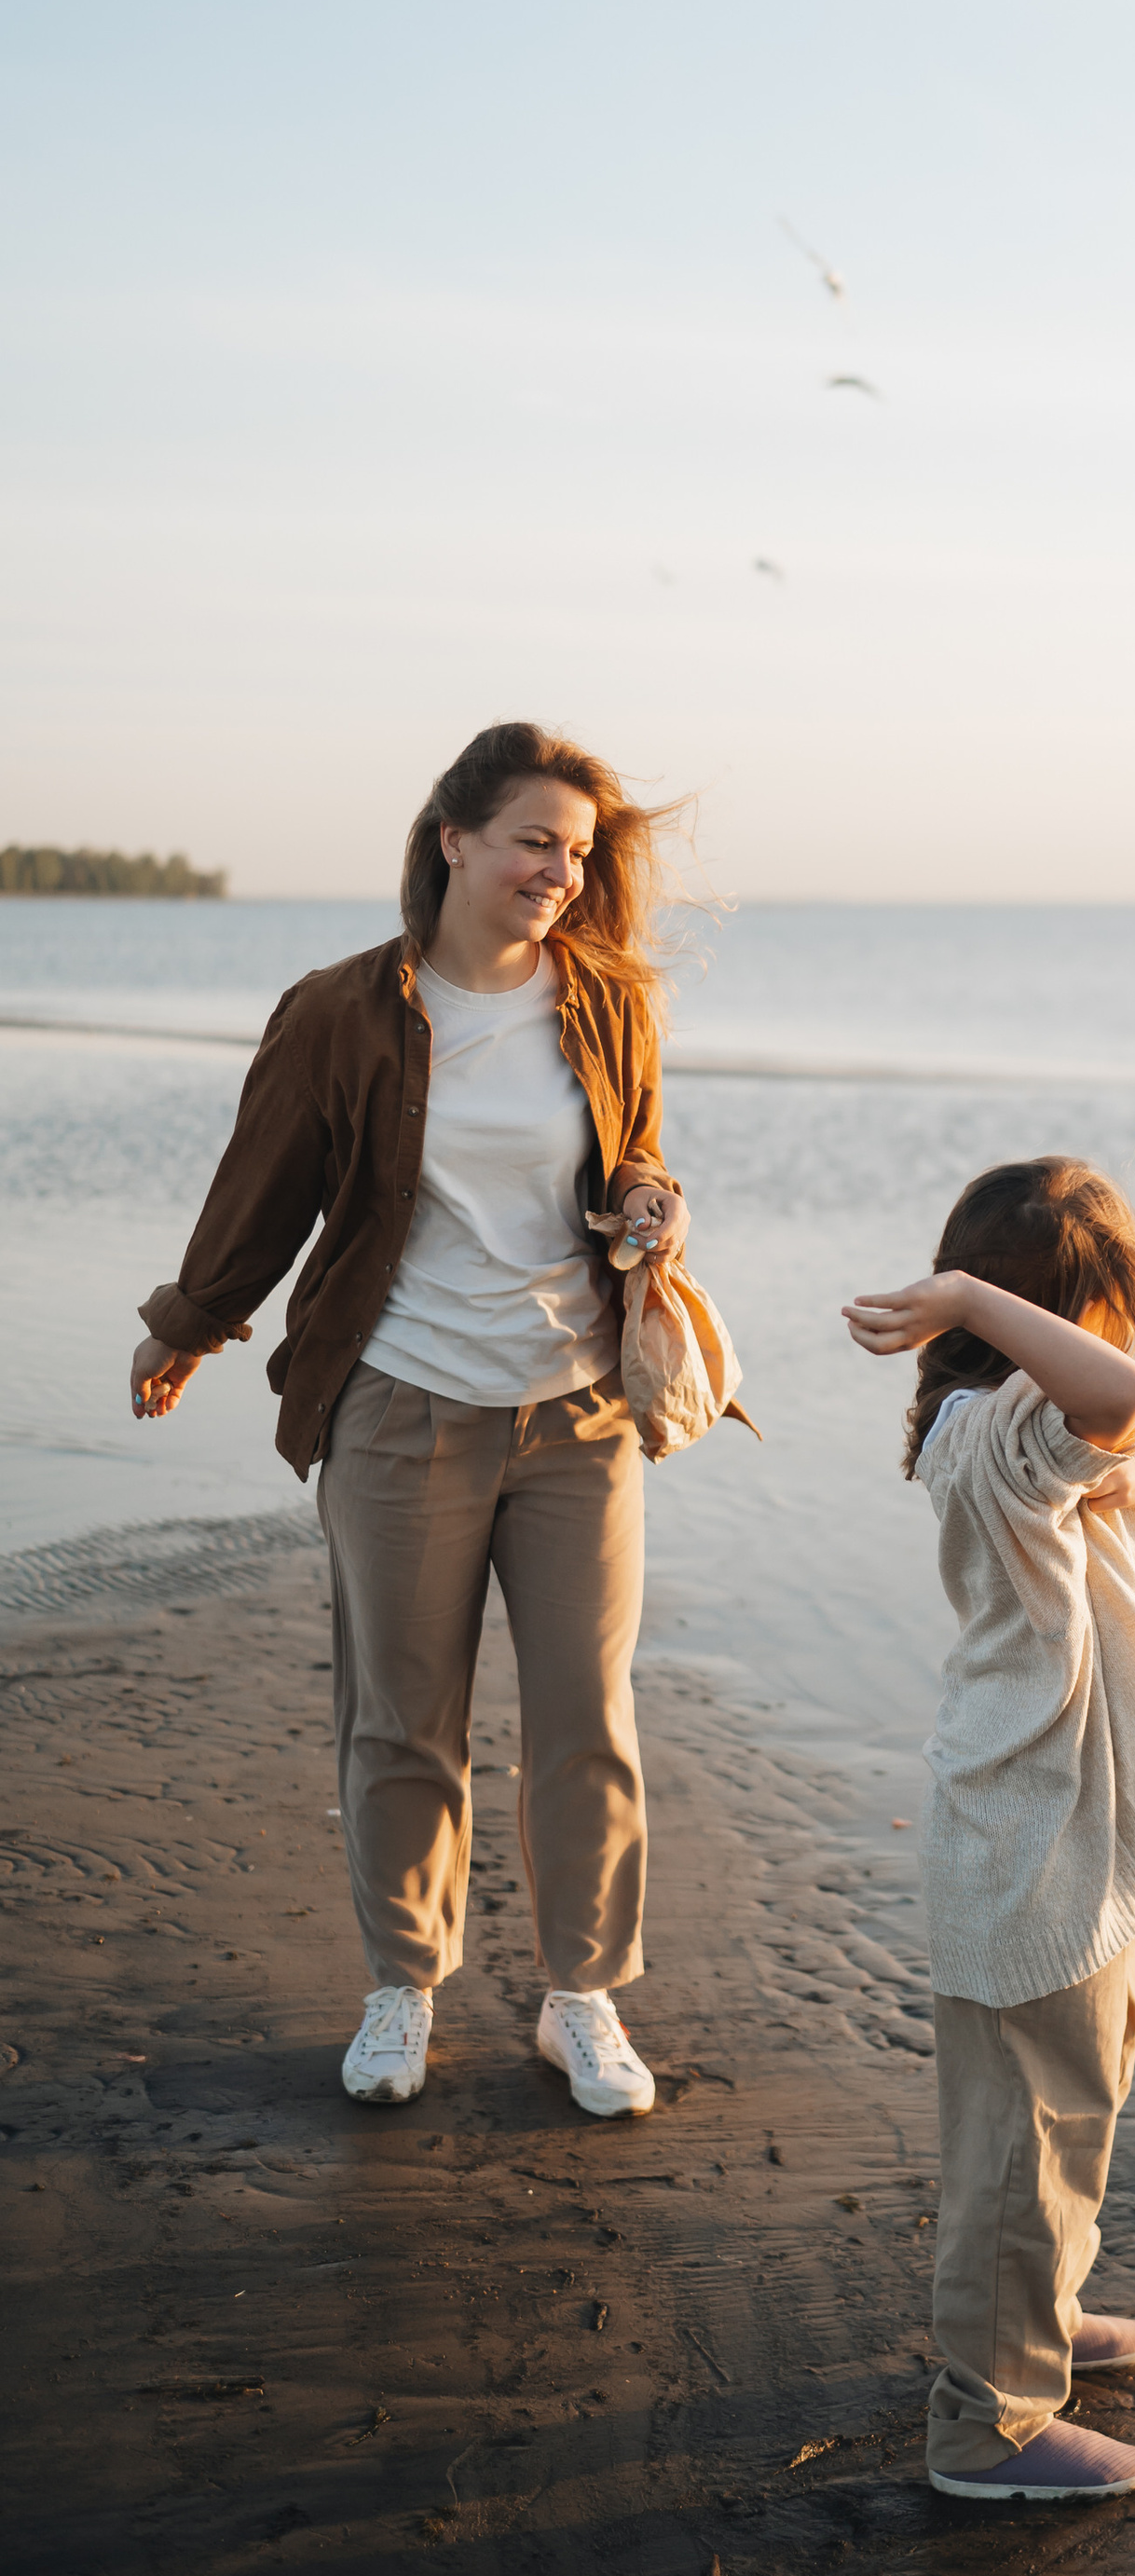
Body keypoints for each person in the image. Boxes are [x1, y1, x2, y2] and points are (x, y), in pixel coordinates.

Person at [129, 720, 693, 2122]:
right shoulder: (341, 1011)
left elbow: (637, 1157)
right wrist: (188, 1325)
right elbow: (261, 1184)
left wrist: (649, 1204)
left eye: (577, 851)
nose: (560, 872)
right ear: (454, 838)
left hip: (577, 1414)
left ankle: (581, 1999)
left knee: (588, 1718)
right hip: (399, 1409)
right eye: (533, 841)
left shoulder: (609, 997)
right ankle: (405, 1984)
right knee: (401, 1720)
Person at [843, 1157, 1135, 2503]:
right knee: (1018, 2139)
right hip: (1027, 1833)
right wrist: (966, 1295)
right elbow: (1127, 1401)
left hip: (1080, 1829)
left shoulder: (1054, 1431)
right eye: (1098, 1307)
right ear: (1044, 1316)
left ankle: (1040, 2317)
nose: (1122, 1338)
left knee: (1081, 2092)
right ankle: (988, 2423)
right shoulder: (1000, 1434)